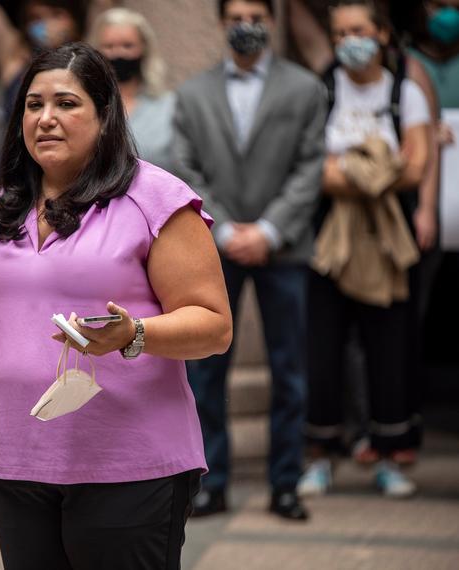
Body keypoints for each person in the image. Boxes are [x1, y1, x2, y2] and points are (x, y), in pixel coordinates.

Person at [0, 42, 233, 569]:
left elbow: (214, 326)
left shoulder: (154, 199)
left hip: (129, 462)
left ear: (106, 115)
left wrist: (135, 335)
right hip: (18, 459)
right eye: (33, 105)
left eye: (66, 103)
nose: (46, 119)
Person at [173, 0, 326, 521]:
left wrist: (268, 229)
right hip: (215, 244)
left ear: (273, 21)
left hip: (284, 245)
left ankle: (287, 482)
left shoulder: (305, 88)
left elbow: (311, 163)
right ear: (222, 22)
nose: (247, 25)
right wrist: (224, 228)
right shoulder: (192, 93)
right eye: (237, 15)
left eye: (257, 15)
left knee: (290, 368)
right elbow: (183, 164)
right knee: (206, 368)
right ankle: (210, 482)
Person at [298, 0, 431, 499]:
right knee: (323, 347)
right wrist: (380, 169)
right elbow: (314, 170)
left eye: (358, 30)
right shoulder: (322, 89)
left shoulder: (405, 93)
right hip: (329, 238)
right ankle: (320, 456)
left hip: (387, 239)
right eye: (339, 34)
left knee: (389, 346)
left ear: (380, 34)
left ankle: (389, 455)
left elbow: (417, 168)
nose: (347, 41)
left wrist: (347, 170)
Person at [88, 7, 178, 173]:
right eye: (108, 46)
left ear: (144, 49)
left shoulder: (169, 106)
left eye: (127, 46)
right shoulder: (86, 105)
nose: (117, 54)